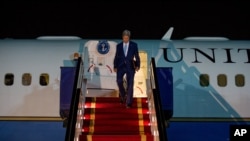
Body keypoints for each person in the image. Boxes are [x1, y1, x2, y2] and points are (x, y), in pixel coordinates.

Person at [113, 30, 140, 108]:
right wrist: (115, 66)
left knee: (130, 84)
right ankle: (123, 94)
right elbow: (116, 57)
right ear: (122, 37)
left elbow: (137, 56)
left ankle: (128, 103)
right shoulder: (119, 46)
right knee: (119, 81)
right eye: (124, 38)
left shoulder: (134, 45)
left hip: (130, 66)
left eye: (127, 38)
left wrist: (138, 65)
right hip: (120, 66)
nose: (125, 39)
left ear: (129, 38)